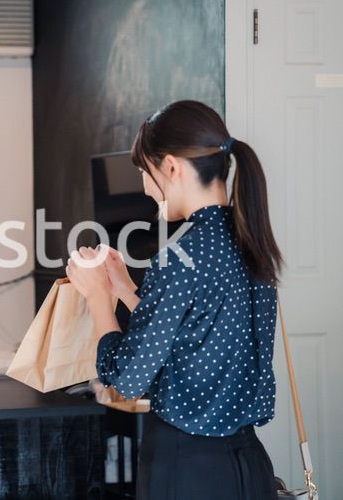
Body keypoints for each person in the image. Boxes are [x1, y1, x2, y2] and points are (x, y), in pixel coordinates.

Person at [67, 100, 280, 500]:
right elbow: (194, 334)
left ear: (170, 167)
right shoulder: (252, 247)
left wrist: (97, 298)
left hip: (187, 468)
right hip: (251, 467)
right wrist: (127, 291)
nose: (145, 188)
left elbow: (127, 379)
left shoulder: (180, 257)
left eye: (144, 173)